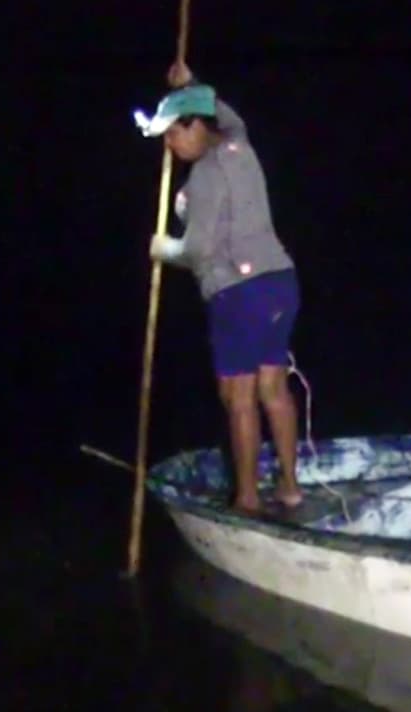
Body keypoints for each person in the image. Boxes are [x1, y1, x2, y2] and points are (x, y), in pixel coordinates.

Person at [133, 60, 303, 515]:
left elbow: (199, 253)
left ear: (195, 127)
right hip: (281, 284)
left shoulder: (207, 174)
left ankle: (247, 499)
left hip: (239, 293)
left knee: (238, 396)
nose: (170, 145)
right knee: (273, 387)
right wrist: (190, 85)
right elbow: (222, 114)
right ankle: (289, 487)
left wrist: (162, 247)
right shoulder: (239, 144)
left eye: (174, 133)